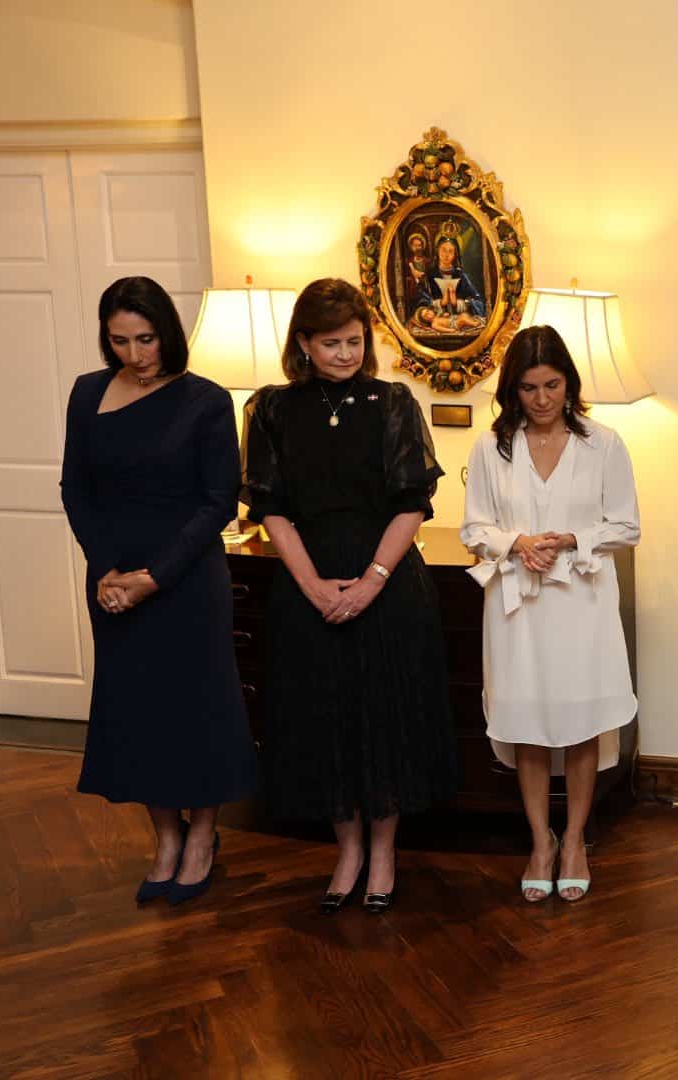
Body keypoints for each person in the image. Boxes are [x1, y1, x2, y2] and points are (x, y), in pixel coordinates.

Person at [241, 277, 457, 914]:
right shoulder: (273, 409)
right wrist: (311, 585)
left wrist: (370, 583)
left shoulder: (393, 403)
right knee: (325, 718)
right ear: (303, 343)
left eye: (355, 341)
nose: (344, 353)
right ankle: (348, 851)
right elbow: (270, 508)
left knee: (381, 717)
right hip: (308, 581)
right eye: (331, 343)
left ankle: (384, 852)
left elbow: (413, 503)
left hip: (386, 580)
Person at [60, 276, 259, 905]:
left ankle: (202, 837)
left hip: (186, 580)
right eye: (119, 341)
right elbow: (75, 488)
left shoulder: (204, 400)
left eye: (145, 339)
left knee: (196, 711)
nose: (134, 354)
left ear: (166, 333)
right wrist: (108, 571)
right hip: (114, 579)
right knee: (139, 713)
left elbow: (216, 501)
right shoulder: (87, 393)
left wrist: (153, 577)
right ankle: (165, 840)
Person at [460, 326, 639, 903]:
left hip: (580, 603)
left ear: (570, 383)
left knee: (581, 723)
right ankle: (540, 840)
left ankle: (576, 840)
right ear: (512, 389)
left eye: (552, 385)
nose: (541, 399)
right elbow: (473, 528)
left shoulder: (603, 443)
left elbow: (627, 525)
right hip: (518, 605)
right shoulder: (491, 448)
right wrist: (516, 543)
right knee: (529, 725)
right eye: (529, 387)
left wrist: (569, 538)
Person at [413, 232, 486, 333]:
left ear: (455, 255)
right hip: (440, 321)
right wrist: (440, 303)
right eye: (443, 250)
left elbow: (478, 301)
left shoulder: (462, 276)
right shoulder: (429, 276)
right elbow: (421, 303)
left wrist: (459, 303)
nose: (446, 255)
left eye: (450, 251)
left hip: (459, 319)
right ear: (437, 251)